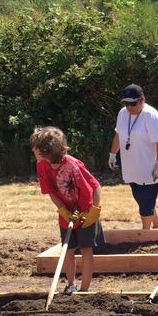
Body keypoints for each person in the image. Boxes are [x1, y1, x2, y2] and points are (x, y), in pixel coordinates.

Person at [32, 126, 102, 294]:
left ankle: (84, 289)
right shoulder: (42, 166)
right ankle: (71, 284)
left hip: (86, 213)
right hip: (67, 213)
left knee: (86, 248)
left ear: (46, 151)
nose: (33, 150)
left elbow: (95, 186)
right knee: (68, 248)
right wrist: (62, 209)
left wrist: (94, 211)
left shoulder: (73, 165)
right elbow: (49, 191)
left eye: (36, 148)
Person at [108, 84, 158, 230]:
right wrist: (112, 154)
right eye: (126, 103)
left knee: (146, 204)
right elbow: (118, 134)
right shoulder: (123, 113)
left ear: (142, 100)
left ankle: (145, 234)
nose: (129, 107)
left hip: (150, 168)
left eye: (132, 103)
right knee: (141, 199)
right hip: (131, 167)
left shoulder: (151, 115)